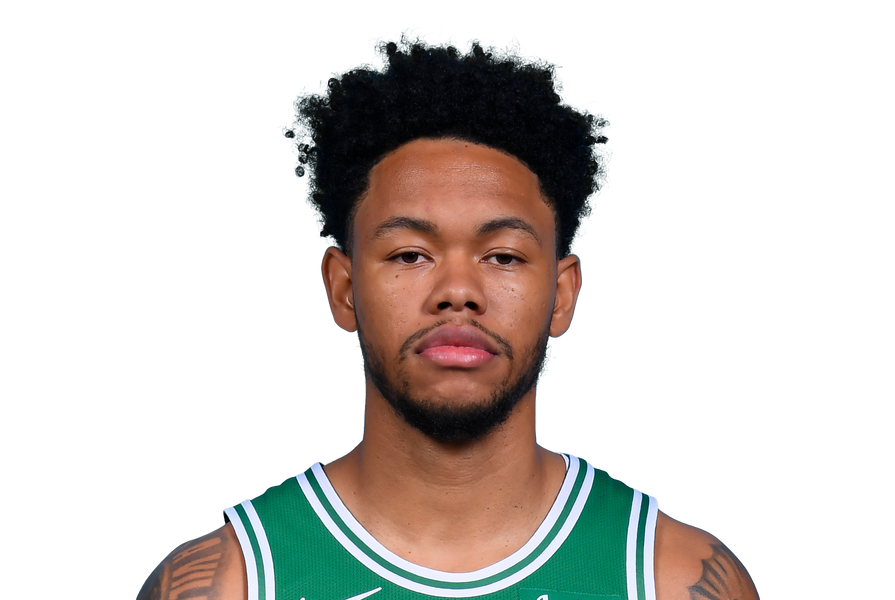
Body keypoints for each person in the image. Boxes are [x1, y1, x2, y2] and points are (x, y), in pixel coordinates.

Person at [136, 32, 760, 600]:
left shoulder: (669, 578)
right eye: (410, 254)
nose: (458, 291)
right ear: (343, 288)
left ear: (562, 295)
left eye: (503, 256)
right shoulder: (233, 583)